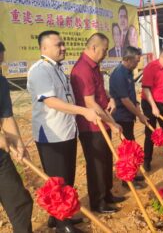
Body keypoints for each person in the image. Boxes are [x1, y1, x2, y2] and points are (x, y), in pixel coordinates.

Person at [27, 31, 99, 233]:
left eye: (63, 44)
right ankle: (62, 225)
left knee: (67, 177)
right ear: (44, 48)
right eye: (58, 45)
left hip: (66, 131)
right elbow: (50, 101)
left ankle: (58, 217)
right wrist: (84, 111)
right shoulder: (40, 70)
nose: (63, 48)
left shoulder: (57, 69)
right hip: (51, 135)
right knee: (57, 180)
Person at [70, 33, 124, 214]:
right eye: (104, 50)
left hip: (103, 121)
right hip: (92, 126)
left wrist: (110, 99)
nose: (106, 54)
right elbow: (90, 103)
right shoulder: (83, 69)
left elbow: (99, 91)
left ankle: (107, 194)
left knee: (107, 160)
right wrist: (113, 122)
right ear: (94, 48)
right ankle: (98, 202)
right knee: (97, 165)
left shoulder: (94, 67)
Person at [0, 42, 33, 233]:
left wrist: (18, 143)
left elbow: (6, 116)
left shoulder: (1, 82)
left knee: (19, 202)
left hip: (1, 160)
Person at [109, 46, 146, 189]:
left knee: (131, 147)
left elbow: (131, 96)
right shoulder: (119, 74)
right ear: (128, 59)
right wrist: (140, 115)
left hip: (129, 116)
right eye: (136, 61)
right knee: (127, 150)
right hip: (121, 117)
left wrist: (137, 107)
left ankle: (133, 174)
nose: (138, 64)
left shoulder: (128, 72)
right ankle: (127, 180)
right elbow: (124, 100)